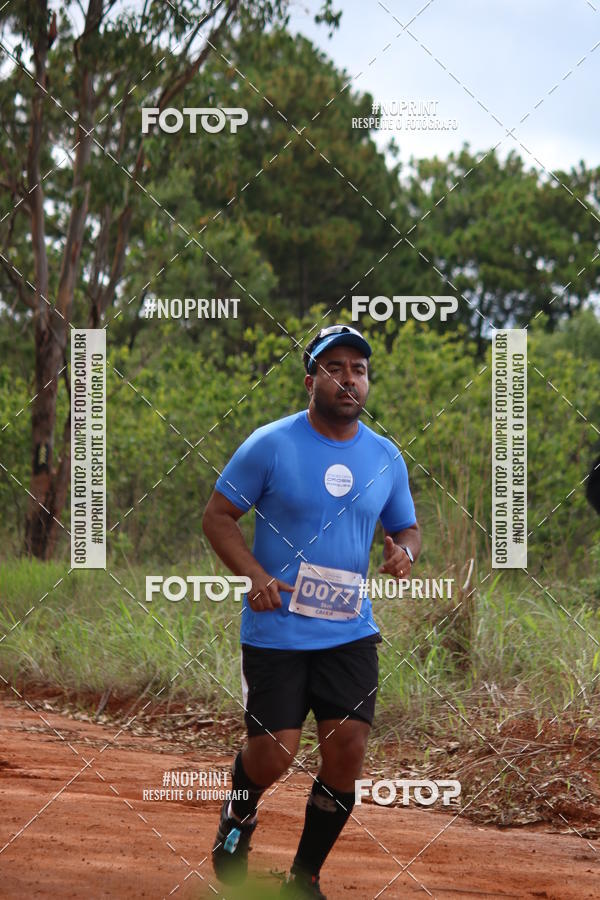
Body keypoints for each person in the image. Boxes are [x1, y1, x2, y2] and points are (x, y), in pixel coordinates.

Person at [202, 324, 420, 898]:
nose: (348, 379)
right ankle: (237, 818)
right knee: (273, 754)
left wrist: (404, 554)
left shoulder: (384, 455)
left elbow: (407, 528)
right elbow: (217, 517)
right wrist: (255, 574)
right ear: (311, 380)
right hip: (276, 629)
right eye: (335, 368)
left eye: (359, 369)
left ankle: (303, 879)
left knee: (346, 753)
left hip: (349, 629)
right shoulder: (270, 444)